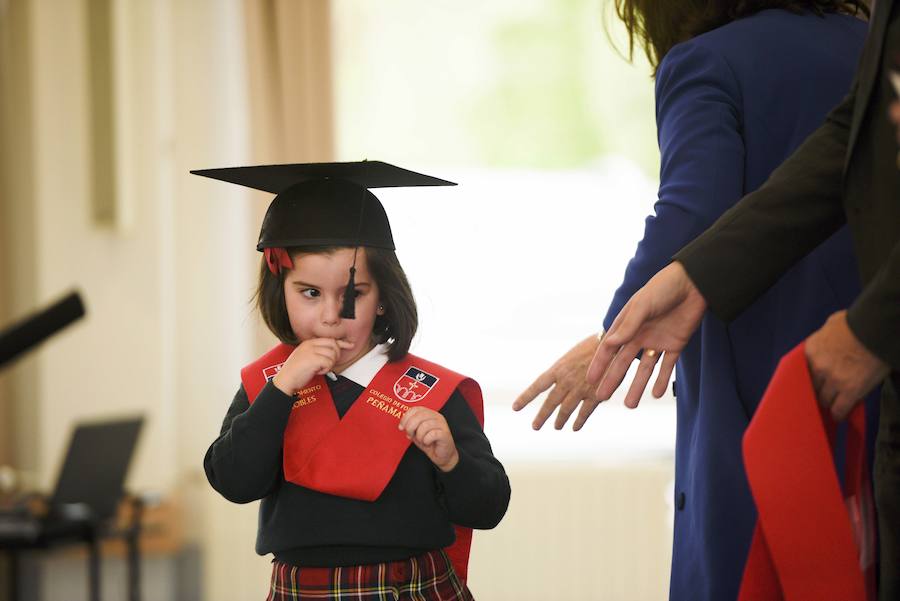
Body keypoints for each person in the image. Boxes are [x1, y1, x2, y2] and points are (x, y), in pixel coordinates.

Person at [514, 2, 873, 600]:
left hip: (765, 387)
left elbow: (691, 211)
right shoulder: (872, 44)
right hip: (874, 356)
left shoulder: (707, 62)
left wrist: (615, 336)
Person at [199, 162, 510, 601]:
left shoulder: (430, 392)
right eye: (309, 293)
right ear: (280, 291)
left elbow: (489, 506)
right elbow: (234, 481)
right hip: (302, 590)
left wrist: (451, 460)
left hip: (411, 587)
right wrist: (281, 389)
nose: (330, 315)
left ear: (383, 298)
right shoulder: (267, 385)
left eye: (353, 295)